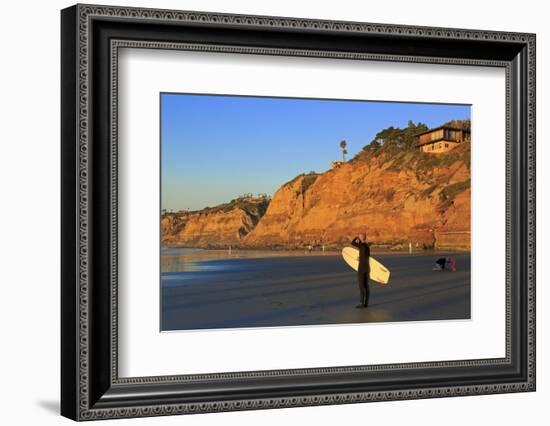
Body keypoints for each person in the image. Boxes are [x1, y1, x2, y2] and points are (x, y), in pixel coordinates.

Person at [351, 233, 370, 308]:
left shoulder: (361, 245)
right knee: (366, 286)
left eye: (359, 237)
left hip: (361, 268)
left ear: (361, 238)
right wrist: (361, 258)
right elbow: (367, 257)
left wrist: (356, 237)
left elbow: (352, 242)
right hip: (367, 268)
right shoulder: (367, 246)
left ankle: (362, 303)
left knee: (361, 286)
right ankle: (366, 303)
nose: (358, 238)